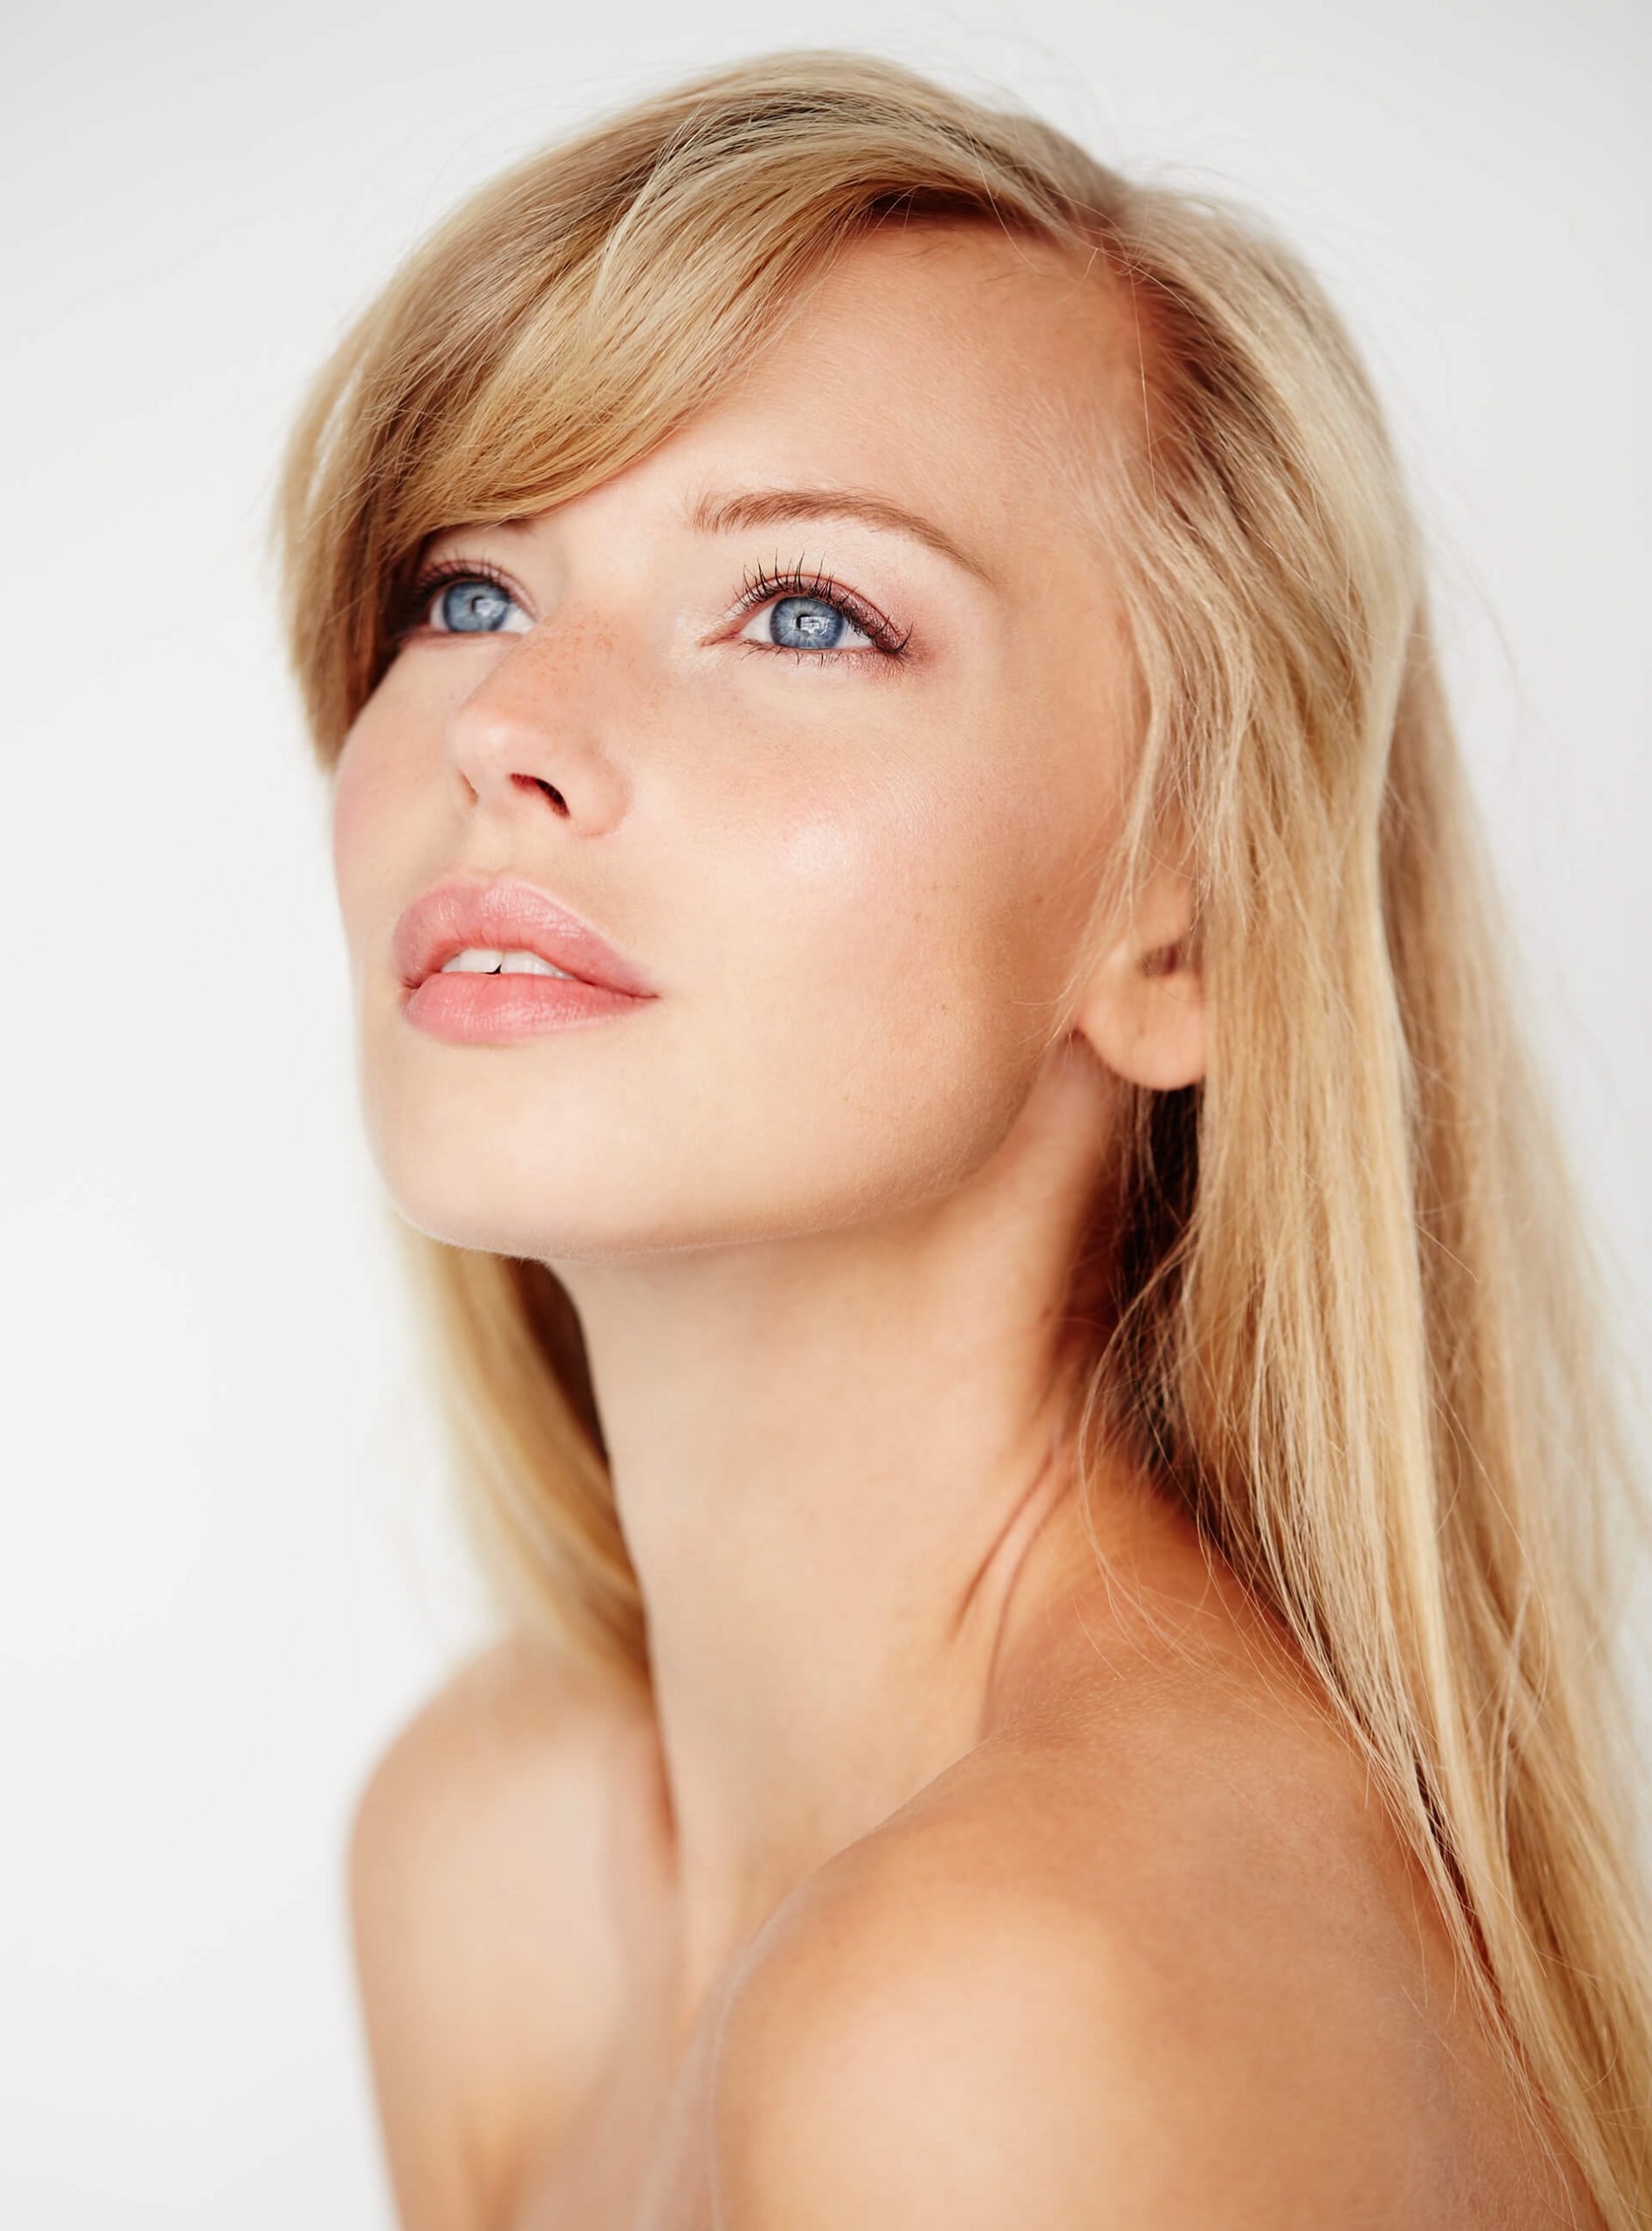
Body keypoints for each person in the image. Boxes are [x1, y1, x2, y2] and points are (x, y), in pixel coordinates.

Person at [276, 48, 1652, 2231]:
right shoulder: (485, 1859)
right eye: (468, 588)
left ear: (1180, 927)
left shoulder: (1009, 2013)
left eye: (805, 610)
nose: (505, 727)